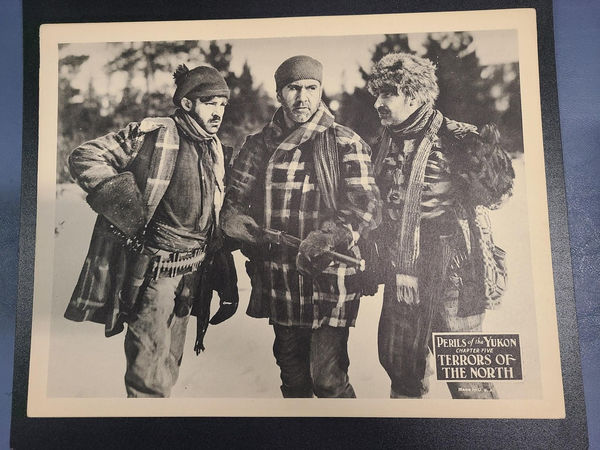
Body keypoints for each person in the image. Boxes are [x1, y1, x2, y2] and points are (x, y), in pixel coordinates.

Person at [64, 64, 238, 397]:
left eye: (222, 104)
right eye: (209, 102)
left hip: (193, 277)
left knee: (169, 367)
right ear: (187, 103)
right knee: (146, 373)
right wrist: (125, 206)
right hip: (155, 275)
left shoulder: (214, 147)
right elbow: (85, 155)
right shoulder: (156, 135)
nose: (217, 112)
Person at [221, 55, 381, 398]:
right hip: (279, 276)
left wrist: (331, 236)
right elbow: (232, 199)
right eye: (293, 88)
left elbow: (367, 207)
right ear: (280, 93)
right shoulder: (258, 145)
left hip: (331, 276)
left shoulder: (344, 142)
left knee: (327, 378)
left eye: (311, 88)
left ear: (321, 91)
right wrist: (234, 220)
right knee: (292, 377)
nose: (302, 97)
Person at [367, 53, 514, 399]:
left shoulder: (458, 138)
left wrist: (486, 169)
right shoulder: (384, 141)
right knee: (400, 367)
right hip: (401, 271)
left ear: (414, 94)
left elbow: (499, 194)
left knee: (468, 376)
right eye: (377, 94)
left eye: (387, 93)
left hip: (454, 271)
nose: (378, 103)